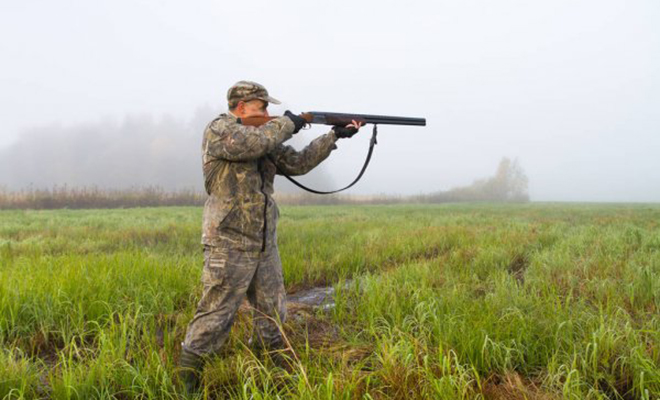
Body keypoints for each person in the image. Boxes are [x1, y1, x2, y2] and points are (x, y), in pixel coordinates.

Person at [178, 80, 362, 392]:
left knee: (273, 312)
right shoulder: (221, 131)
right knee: (216, 314)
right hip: (228, 241)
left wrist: (333, 136)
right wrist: (291, 122)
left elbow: (297, 163)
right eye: (262, 107)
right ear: (242, 106)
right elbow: (256, 143)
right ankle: (187, 382)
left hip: (264, 241)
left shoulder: (265, 136)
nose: (267, 112)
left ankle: (270, 371)